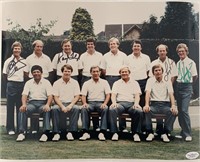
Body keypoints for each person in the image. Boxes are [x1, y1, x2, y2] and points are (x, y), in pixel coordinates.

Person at [16, 65, 53, 142]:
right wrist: (24, 104)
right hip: (31, 104)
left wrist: (47, 105)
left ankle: (45, 133)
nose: (36, 73)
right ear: (31, 74)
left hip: (42, 103)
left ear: (41, 73)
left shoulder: (46, 82)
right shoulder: (28, 83)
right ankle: (22, 133)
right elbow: (24, 95)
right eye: (34, 72)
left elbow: (50, 95)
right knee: (22, 109)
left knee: (47, 110)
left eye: (38, 72)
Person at [143, 64, 178, 142]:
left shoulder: (167, 80)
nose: (158, 72)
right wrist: (146, 105)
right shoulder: (150, 80)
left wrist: (173, 105)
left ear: (162, 71)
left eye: (159, 70)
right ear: (153, 72)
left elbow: (171, 94)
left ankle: (165, 133)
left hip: (165, 105)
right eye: (156, 70)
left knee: (174, 112)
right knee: (145, 111)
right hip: (154, 104)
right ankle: (150, 133)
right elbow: (148, 93)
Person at [149, 44, 178, 135]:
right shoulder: (153, 63)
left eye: (163, 50)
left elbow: (174, 76)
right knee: (157, 108)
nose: (162, 52)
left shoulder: (171, 62)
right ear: (157, 52)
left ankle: (166, 131)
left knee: (168, 109)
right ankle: (159, 130)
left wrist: (168, 85)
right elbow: (151, 76)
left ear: (166, 51)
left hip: (167, 87)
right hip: (156, 87)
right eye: (160, 51)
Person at [109, 66, 143, 141]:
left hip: (131, 104)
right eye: (122, 72)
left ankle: (135, 133)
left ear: (129, 73)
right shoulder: (116, 83)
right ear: (120, 74)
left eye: (126, 72)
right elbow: (113, 95)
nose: (124, 73)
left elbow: (137, 95)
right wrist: (114, 102)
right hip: (120, 104)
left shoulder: (135, 83)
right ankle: (114, 132)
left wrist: (136, 104)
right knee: (112, 109)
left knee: (139, 111)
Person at [100, 37, 127, 131]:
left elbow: (125, 69)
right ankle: (109, 126)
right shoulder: (105, 56)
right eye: (111, 44)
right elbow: (103, 69)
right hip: (109, 79)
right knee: (110, 102)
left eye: (114, 44)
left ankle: (122, 127)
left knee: (119, 102)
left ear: (118, 45)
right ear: (109, 46)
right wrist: (109, 77)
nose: (112, 45)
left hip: (120, 79)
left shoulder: (123, 56)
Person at [79, 66, 111, 141]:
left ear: (100, 72)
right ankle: (85, 132)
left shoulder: (104, 82)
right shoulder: (86, 83)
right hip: (90, 103)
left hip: (100, 103)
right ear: (91, 73)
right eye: (94, 71)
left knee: (105, 108)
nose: (96, 73)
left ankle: (102, 132)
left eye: (97, 71)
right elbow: (83, 95)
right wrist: (84, 103)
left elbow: (108, 94)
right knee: (84, 108)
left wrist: (105, 103)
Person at [126, 39, 151, 132]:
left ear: (141, 48)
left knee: (142, 105)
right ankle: (134, 129)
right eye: (134, 46)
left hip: (143, 82)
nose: (136, 48)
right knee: (133, 106)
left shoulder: (146, 58)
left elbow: (148, 71)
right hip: (131, 83)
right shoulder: (128, 58)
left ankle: (143, 128)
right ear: (132, 47)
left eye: (138, 46)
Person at [3, 41, 27, 135]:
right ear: (12, 50)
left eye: (18, 48)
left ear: (21, 50)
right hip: (11, 84)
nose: (17, 50)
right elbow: (4, 75)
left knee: (20, 107)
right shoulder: (8, 61)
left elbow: (25, 75)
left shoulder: (24, 61)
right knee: (10, 107)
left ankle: (20, 128)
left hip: (21, 85)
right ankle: (10, 128)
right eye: (15, 48)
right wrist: (9, 83)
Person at [79, 38, 103, 131]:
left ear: (94, 45)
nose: (90, 46)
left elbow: (100, 69)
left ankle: (96, 126)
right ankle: (86, 127)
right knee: (87, 103)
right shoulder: (82, 56)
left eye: (91, 44)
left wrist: (96, 75)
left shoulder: (100, 55)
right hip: (86, 77)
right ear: (86, 45)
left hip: (96, 76)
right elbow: (80, 69)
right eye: (88, 44)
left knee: (96, 99)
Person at [51, 64, 80, 141]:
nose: (67, 73)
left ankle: (71, 132)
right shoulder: (56, 83)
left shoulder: (75, 82)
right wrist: (62, 106)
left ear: (71, 73)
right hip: (60, 104)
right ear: (62, 72)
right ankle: (56, 133)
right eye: (65, 71)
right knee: (54, 109)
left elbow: (77, 96)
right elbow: (55, 97)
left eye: (69, 71)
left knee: (76, 108)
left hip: (70, 104)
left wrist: (70, 105)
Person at [175, 43, 198, 142]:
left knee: (184, 110)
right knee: (180, 111)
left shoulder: (191, 62)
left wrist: (190, 86)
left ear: (186, 51)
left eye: (182, 51)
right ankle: (182, 132)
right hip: (178, 86)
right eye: (179, 52)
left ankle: (188, 133)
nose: (181, 53)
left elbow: (195, 76)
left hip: (187, 86)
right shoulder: (178, 63)